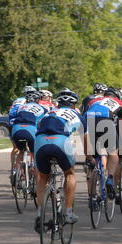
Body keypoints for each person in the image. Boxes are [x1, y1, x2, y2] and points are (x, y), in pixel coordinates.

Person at [34, 89, 87, 231]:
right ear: (74, 105)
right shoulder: (77, 115)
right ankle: (68, 212)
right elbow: (86, 139)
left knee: (43, 177)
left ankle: (40, 215)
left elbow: (36, 128)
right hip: (61, 141)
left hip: (40, 141)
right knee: (69, 173)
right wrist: (89, 158)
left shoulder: (48, 112)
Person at [84, 87, 122, 201]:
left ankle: (92, 197)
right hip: (106, 121)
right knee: (113, 153)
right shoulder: (119, 103)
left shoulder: (92, 101)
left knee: (93, 163)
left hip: (90, 122)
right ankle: (110, 178)